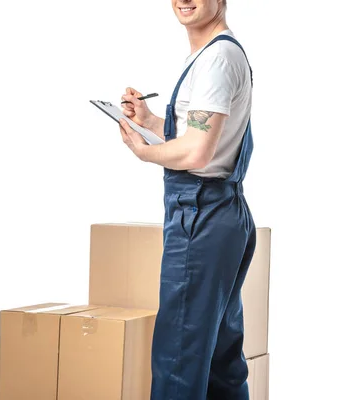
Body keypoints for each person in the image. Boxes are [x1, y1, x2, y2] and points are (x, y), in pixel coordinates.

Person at [117, 0, 256, 399]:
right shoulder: (215, 54)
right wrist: (149, 122)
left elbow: (196, 154)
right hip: (222, 212)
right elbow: (200, 133)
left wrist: (143, 151)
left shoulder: (217, 59)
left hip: (201, 216)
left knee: (178, 361)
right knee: (220, 360)